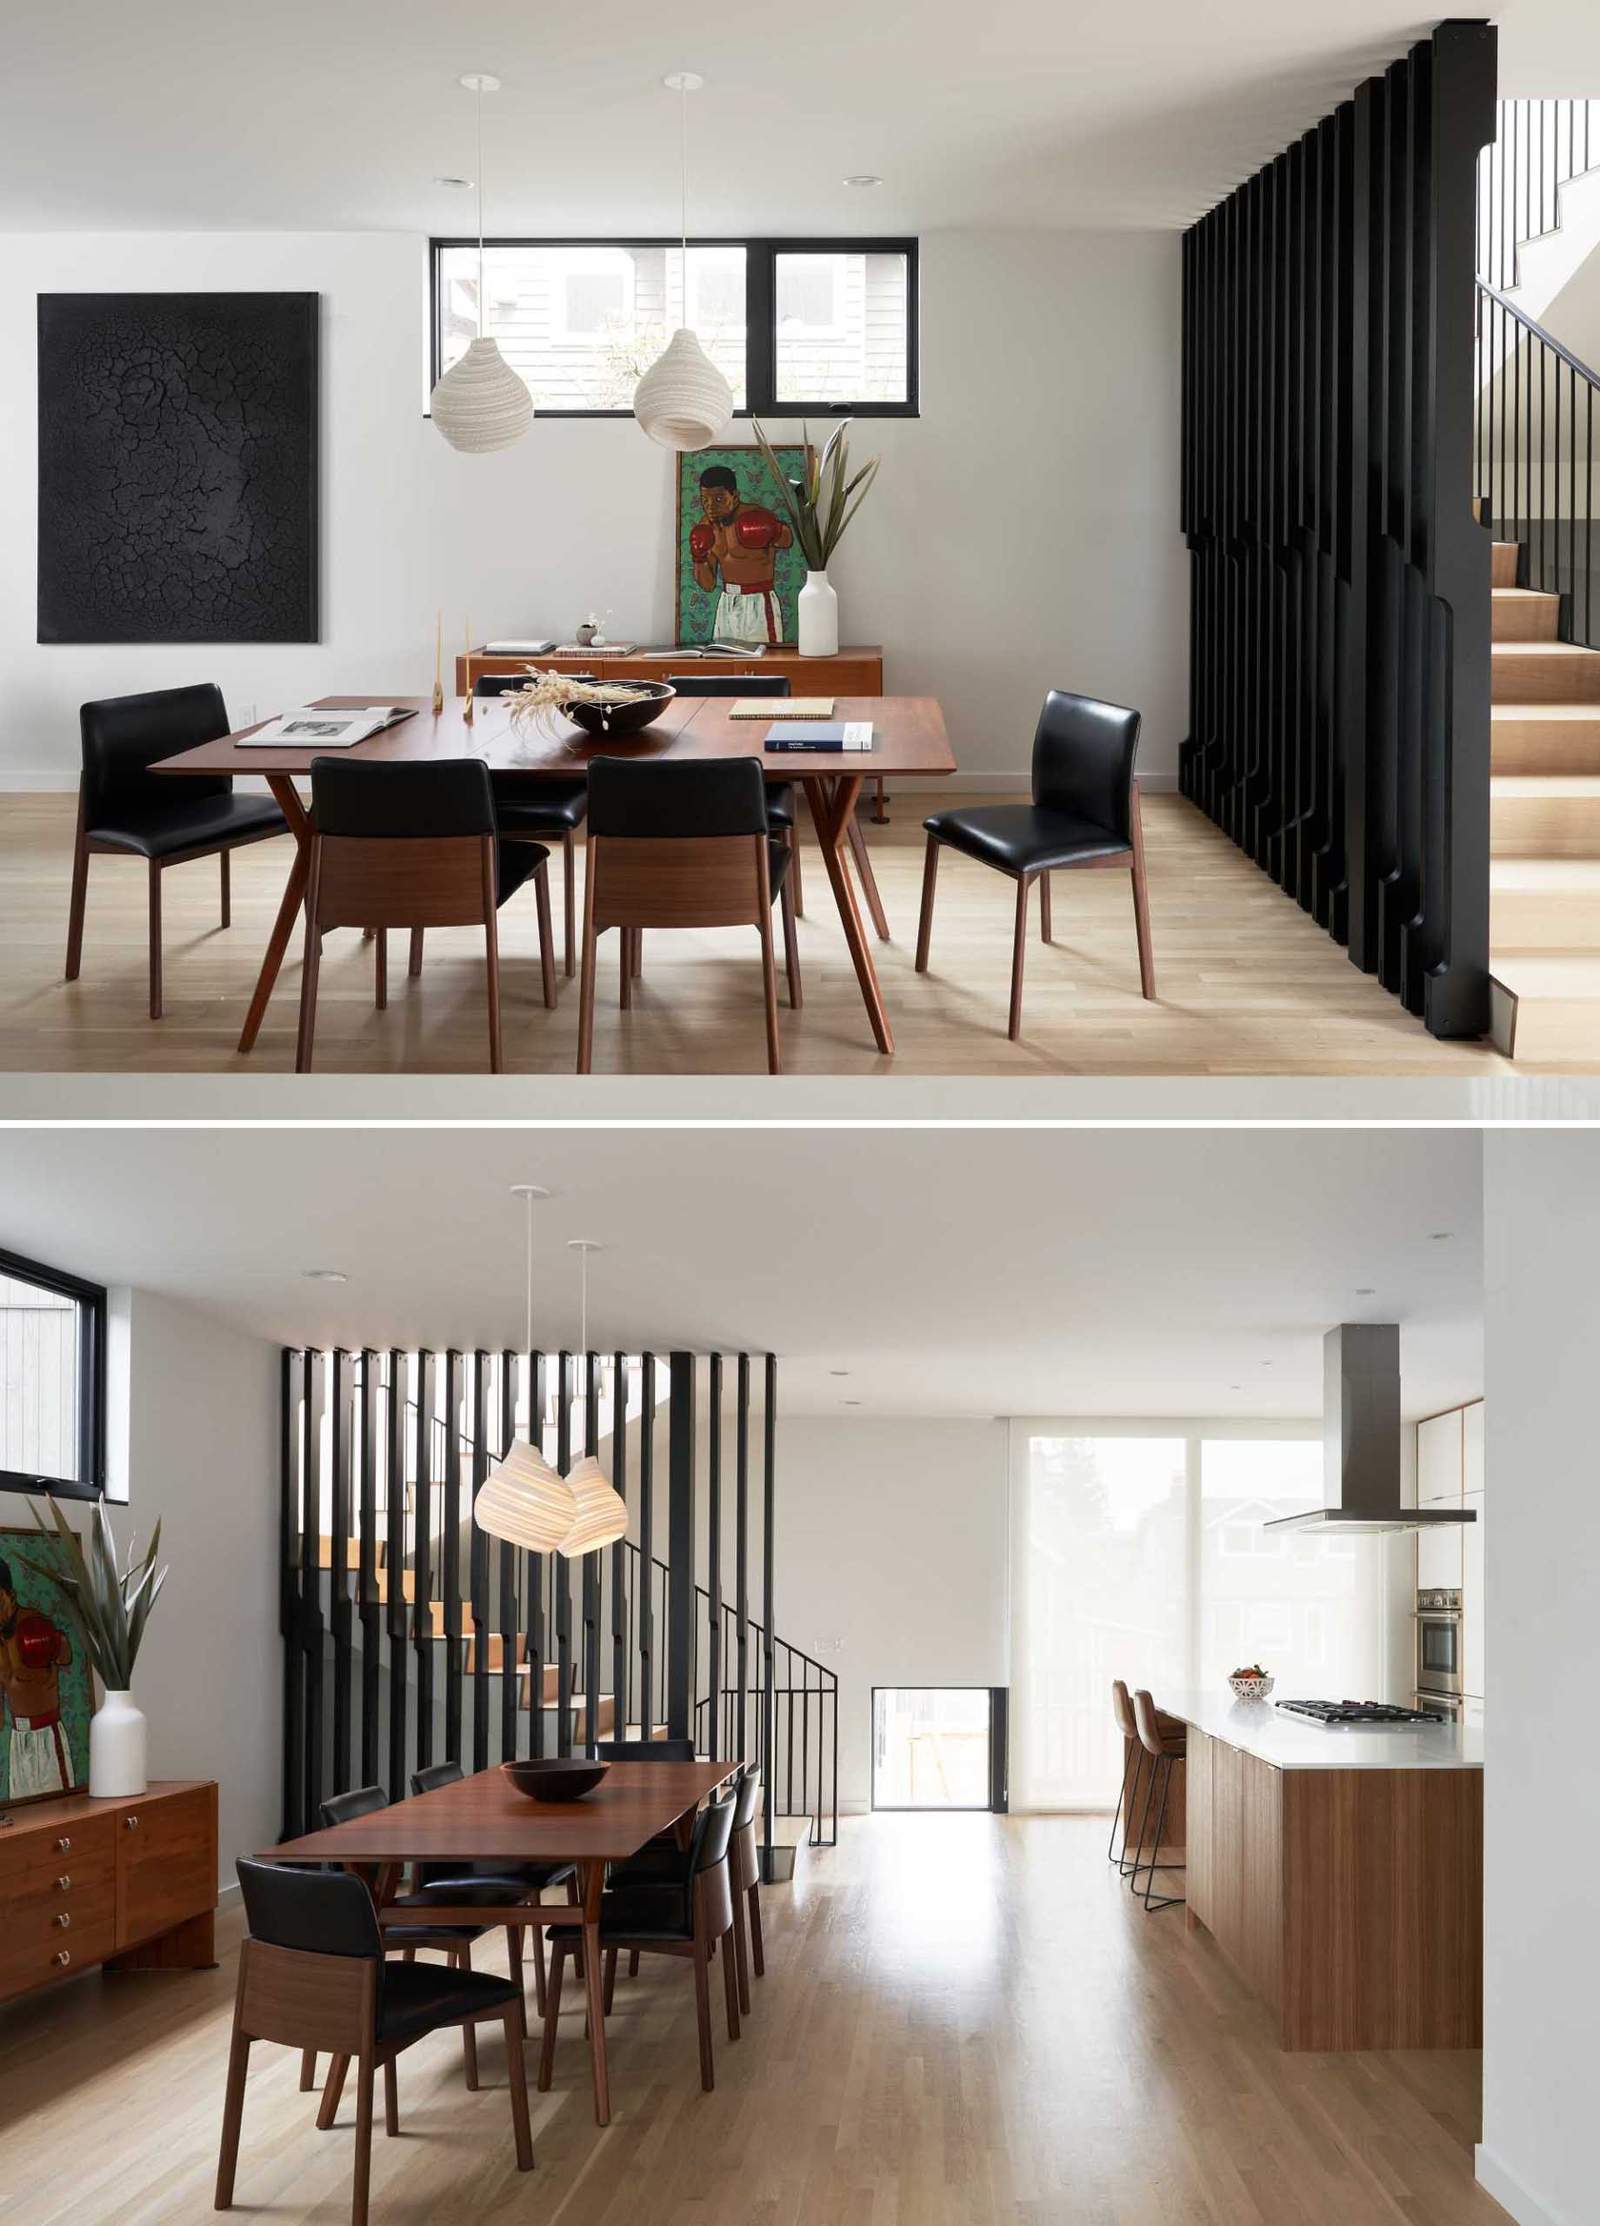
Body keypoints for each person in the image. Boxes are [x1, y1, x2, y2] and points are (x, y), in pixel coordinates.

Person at [688, 464, 793, 644]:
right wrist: (699, 558)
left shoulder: (756, 514)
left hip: (759, 602)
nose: (711, 507)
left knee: (764, 663)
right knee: (724, 662)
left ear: (734, 497)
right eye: (705, 501)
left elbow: (787, 540)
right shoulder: (706, 526)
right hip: (726, 602)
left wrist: (773, 530)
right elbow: (708, 585)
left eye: (719, 499)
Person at [0, 1554, 76, 1801]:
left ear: (10, 1595)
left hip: (47, 1737)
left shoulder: (34, 1623)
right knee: (24, 1817)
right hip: (17, 1740)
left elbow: (65, 1657)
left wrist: (56, 1641)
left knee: (60, 1810)